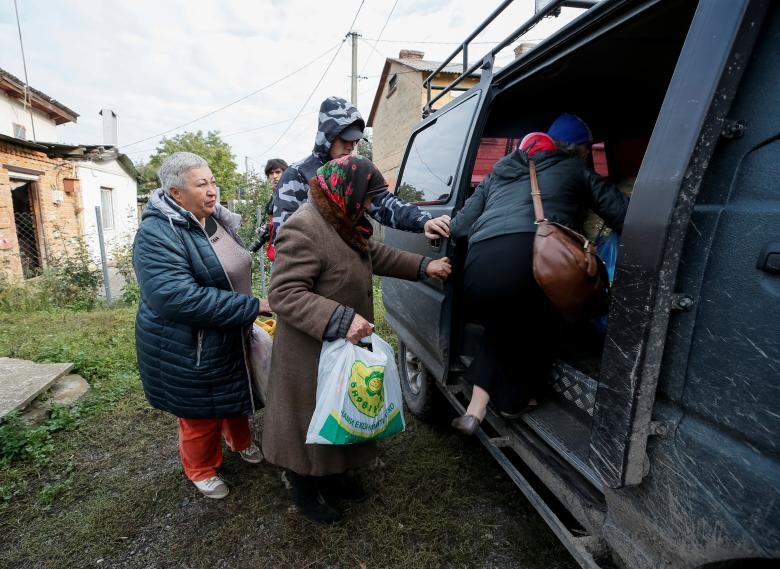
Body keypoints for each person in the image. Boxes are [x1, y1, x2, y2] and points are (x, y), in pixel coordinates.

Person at [263, 155, 451, 524]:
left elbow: (372, 254)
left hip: (340, 343)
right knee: (309, 419)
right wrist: (340, 319)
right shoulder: (305, 227)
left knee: (340, 409)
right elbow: (284, 294)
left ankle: (334, 477)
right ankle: (304, 490)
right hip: (310, 350)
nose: (368, 205)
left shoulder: (343, 220)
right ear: (345, 190)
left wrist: (422, 266)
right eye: (366, 197)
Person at [448, 114, 629, 436]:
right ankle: (512, 401)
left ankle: (475, 409)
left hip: (478, 267)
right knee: (548, 322)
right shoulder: (575, 169)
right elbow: (623, 214)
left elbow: (460, 227)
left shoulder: (497, 174)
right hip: (532, 261)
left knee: (502, 328)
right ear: (578, 149)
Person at [133, 152, 271, 499]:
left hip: (229, 328)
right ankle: (200, 468)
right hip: (189, 341)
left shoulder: (215, 218)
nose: (212, 191)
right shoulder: (157, 232)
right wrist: (251, 306)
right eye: (201, 184)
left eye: (213, 182)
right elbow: (175, 297)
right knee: (199, 413)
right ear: (176, 193)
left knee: (236, 390)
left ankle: (239, 441)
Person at [272, 96, 451, 245]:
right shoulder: (297, 174)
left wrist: (424, 220)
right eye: (345, 139)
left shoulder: (354, 173)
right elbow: (285, 237)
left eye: (355, 140)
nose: (351, 146)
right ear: (327, 136)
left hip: (349, 272)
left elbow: (384, 203)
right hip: (313, 276)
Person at [261, 158, 288, 261]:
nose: (274, 176)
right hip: (277, 250)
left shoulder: (290, 195)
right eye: (271, 173)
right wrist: (267, 227)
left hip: (288, 251)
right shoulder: (274, 195)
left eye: (278, 172)